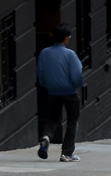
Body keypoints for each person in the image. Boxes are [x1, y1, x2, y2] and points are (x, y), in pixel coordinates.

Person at [36, 25, 84, 162]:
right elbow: (77, 75)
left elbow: (40, 74)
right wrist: (75, 85)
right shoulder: (70, 54)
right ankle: (66, 153)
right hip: (70, 92)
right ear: (66, 38)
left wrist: (48, 85)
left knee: (52, 119)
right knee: (72, 121)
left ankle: (46, 137)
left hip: (52, 92)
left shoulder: (44, 53)